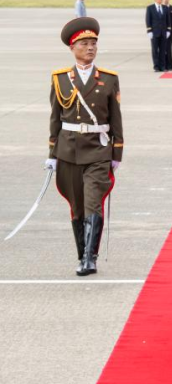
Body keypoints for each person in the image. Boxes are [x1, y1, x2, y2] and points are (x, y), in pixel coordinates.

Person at [47, 17, 123, 276]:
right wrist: (52, 154)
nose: (90, 48)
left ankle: (90, 258)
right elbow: (55, 118)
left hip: (98, 151)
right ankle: (81, 254)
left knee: (93, 202)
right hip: (67, 151)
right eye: (84, 44)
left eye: (93, 43)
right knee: (77, 206)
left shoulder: (109, 79)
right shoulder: (60, 79)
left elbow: (116, 118)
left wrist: (117, 152)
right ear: (72, 47)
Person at [145, 0, 169, 72]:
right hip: (154, 33)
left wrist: (168, 30)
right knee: (155, 50)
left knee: (162, 50)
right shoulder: (150, 8)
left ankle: (162, 66)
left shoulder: (165, 8)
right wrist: (149, 31)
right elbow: (148, 20)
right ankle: (156, 66)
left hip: (163, 32)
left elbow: (167, 20)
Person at [162, 0, 172, 72]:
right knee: (162, 49)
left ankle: (170, 66)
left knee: (168, 49)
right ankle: (163, 65)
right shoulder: (160, 8)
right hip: (161, 32)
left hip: (170, 33)